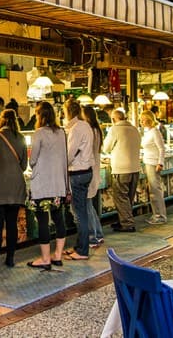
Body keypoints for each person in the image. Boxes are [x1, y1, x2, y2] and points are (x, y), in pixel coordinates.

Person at [0, 108, 27, 272]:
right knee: (12, 224)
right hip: (15, 187)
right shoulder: (21, 138)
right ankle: (10, 259)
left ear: (1, 120)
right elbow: (23, 166)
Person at [26, 101, 68, 270]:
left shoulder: (39, 133)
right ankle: (57, 255)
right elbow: (65, 159)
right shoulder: (61, 132)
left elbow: (33, 159)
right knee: (59, 219)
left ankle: (45, 259)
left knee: (43, 221)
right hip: (58, 184)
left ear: (40, 116)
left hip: (42, 186)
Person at [102, 108, 141, 232]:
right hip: (135, 168)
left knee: (121, 197)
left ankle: (127, 223)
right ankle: (124, 220)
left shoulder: (115, 129)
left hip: (121, 169)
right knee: (129, 197)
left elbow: (106, 148)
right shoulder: (135, 129)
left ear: (114, 119)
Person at [63, 101, 93, 261]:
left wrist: (59, 166)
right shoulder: (85, 125)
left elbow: (69, 154)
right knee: (81, 211)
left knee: (79, 213)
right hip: (87, 171)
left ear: (68, 111)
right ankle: (79, 245)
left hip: (78, 173)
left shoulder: (76, 129)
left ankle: (82, 251)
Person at [80, 104, 105, 248]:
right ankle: (98, 233)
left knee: (87, 206)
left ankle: (92, 236)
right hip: (94, 171)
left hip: (89, 171)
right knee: (90, 205)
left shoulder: (89, 131)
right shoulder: (97, 130)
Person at [140, 110, 167, 224]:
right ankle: (156, 214)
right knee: (152, 189)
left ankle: (160, 215)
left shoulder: (155, 132)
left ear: (149, 119)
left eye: (143, 119)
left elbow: (161, 148)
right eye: (140, 120)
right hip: (148, 161)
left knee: (155, 190)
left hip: (153, 163)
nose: (141, 122)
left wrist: (160, 163)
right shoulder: (148, 132)